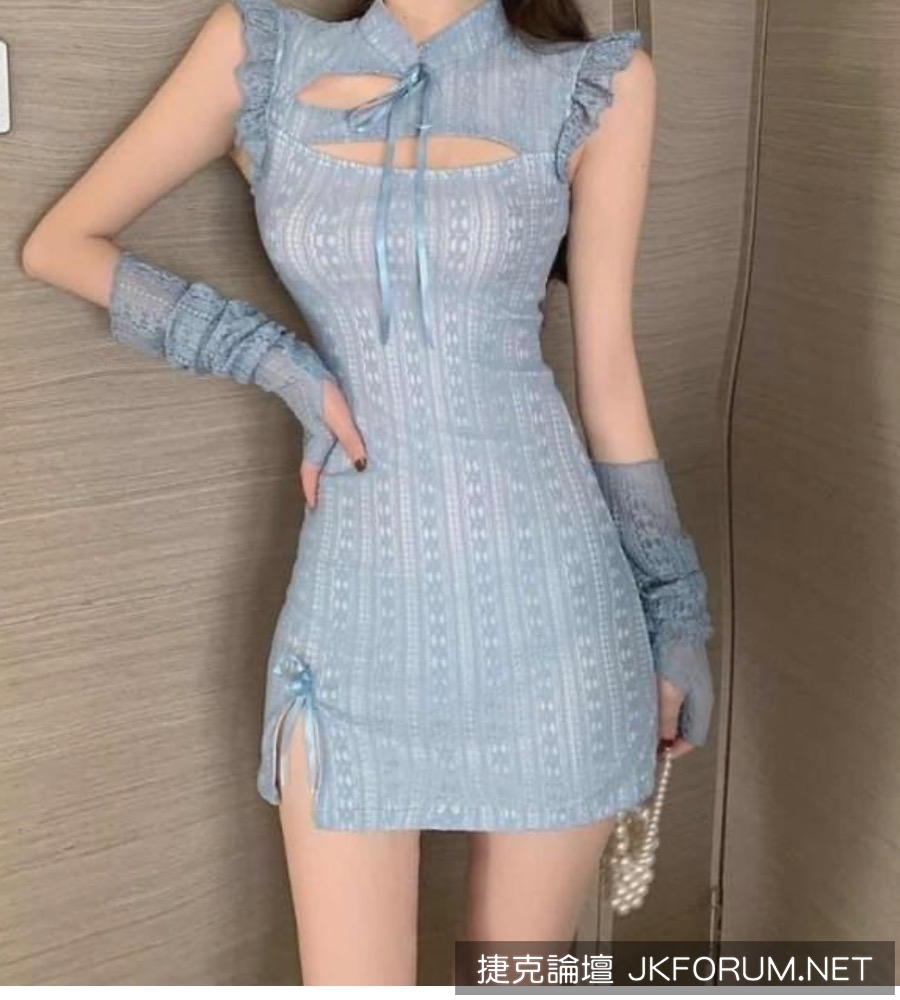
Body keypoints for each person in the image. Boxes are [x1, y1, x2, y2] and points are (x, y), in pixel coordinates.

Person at [21, 0, 715, 986]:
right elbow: (61, 243)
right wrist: (281, 365)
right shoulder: (259, 54)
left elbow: (608, 379)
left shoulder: (598, 86)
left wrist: (676, 610)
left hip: (557, 616)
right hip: (355, 606)